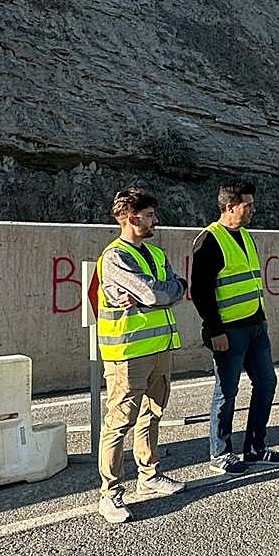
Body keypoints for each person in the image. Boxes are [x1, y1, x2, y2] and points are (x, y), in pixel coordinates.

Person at [94, 187, 188, 523]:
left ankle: (148, 477)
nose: (155, 220)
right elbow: (153, 293)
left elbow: (178, 286)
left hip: (159, 347)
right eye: (149, 215)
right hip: (128, 352)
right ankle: (111, 493)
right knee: (120, 422)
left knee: (153, 412)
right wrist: (163, 291)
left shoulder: (156, 254)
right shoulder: (115, 257)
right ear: (132, 218)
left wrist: (165, 291)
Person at [190, 179, 279, 476]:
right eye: (248, 205)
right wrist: (215, 329)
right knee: (227, 391)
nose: (253, 210)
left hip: (255, 325)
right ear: (230, 206)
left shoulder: (246, 236)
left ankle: (256, 447)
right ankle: (220, 452)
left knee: (267, 383)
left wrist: (261, 318)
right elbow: (201, 291)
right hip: (229, 331)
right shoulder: (209, 240)